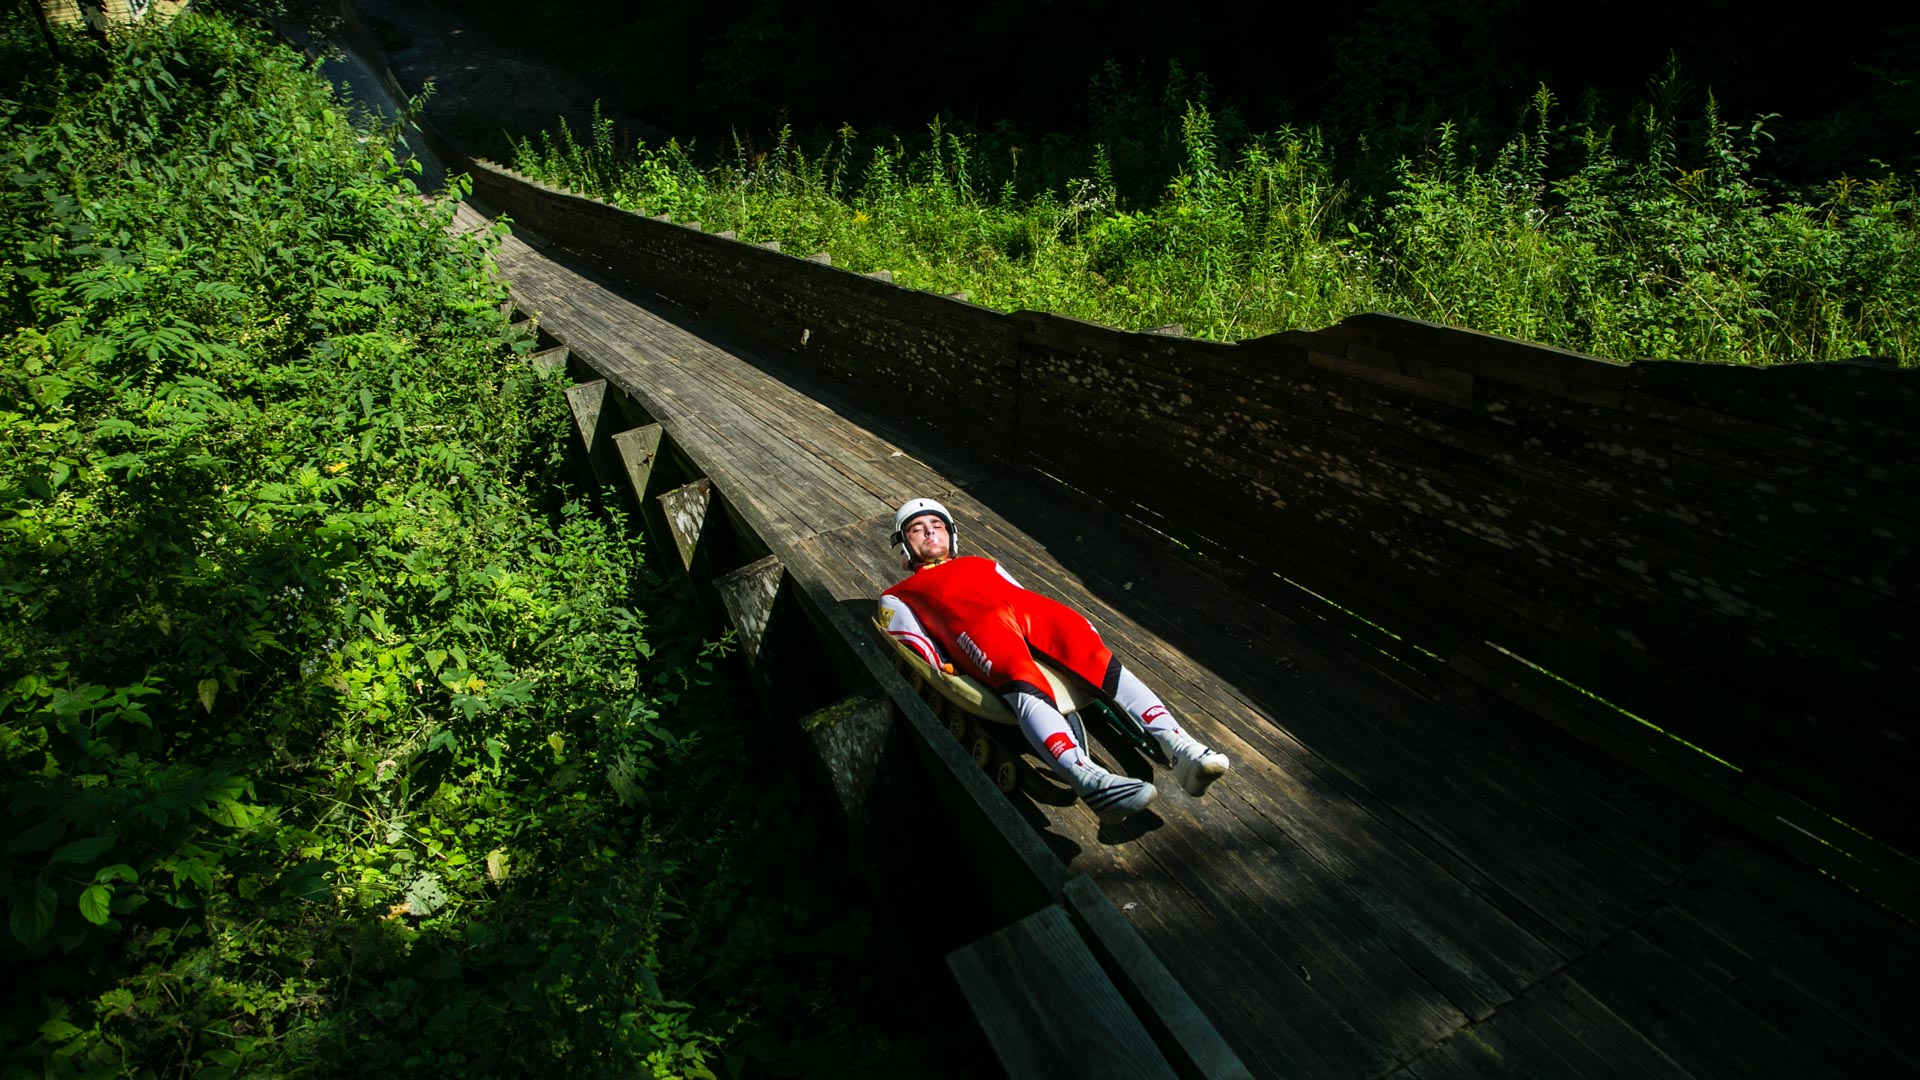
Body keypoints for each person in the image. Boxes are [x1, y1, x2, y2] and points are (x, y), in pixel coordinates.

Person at [876, 497, 1229, 824]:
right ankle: (1088, 779)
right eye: (917, 529)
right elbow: (914, 641)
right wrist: (944, 670)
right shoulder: (898, 596)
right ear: (906, 545)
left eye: (936, 525)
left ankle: (1180, 747)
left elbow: (1023, 593)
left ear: (951, 534)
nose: (929, 531)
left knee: (1091, 651)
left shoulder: (984, 563)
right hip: (974, 626)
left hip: (1025, 611)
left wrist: (1079, 623)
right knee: (1017, 670)